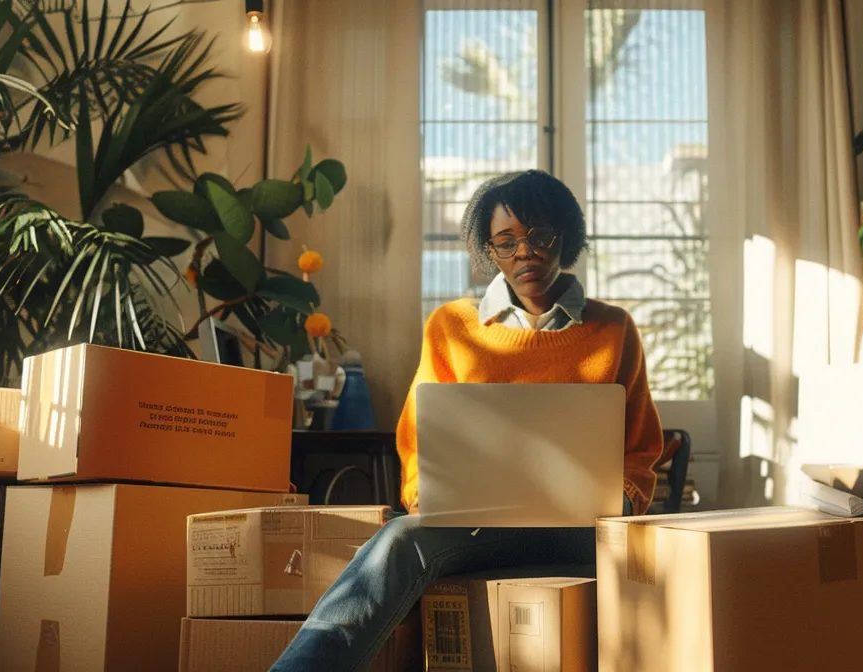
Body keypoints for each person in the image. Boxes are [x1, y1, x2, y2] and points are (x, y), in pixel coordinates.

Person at [271, 170, 666, 670]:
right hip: (477, 526)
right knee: (397, 539)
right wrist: (428, 500)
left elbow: (642, 450)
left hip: (581, 528)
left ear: (564, 237)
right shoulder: (451, 326)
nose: (526, 253)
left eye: (541, 237)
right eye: (506, 242)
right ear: (489, 251)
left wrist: (624, 495)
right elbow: (416, 440)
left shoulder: (614, 329)